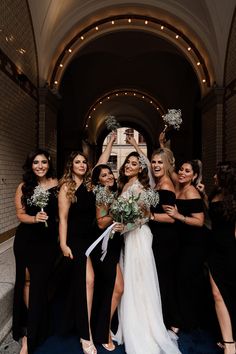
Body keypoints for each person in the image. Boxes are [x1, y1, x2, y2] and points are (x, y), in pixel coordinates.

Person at [113, 151, 181, 354]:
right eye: (127, 162)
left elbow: (143, 217)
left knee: (140, 280)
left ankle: (144, 328)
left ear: (140, 168)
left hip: (139, 237)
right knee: (133, 279)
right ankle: (129, 322)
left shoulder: (141, 188)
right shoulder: (130, 185)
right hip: (129, 237)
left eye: (134, 163)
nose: (128, 165)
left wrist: (123, 227)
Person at [13, 149, 59, 354]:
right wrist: (34, 219)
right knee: (27, 281)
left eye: (43, 162)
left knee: (41, 282)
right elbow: (20, 214)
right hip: (26, 240)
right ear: (30, 165)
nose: (40, 166)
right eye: (35, 163)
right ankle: (30, 328)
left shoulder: (58, 185)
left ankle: (38, 322)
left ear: (49, 163)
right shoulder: (24, 186)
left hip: (47, 242)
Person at [58, 151, 97, 354]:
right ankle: (85, 334)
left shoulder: (91, 186)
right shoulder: (66, 187)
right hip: (74, 240)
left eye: (84, 162)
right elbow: (63, 219)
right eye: (77, 162)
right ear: (70, 165)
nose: (82, 165)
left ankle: (84, 326)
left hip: (90, 240)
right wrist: (64, 245)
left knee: (88, 283)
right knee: (87, 282)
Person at [202, 161, 236, 354]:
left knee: (230, 293)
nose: (214, 177)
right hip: (214, 249)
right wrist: (204, 196)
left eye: (217, 174)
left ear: (226, 177)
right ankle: (229, 343)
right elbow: (212, 215)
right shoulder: (215, 194)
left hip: (231, 250)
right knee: (217, 294)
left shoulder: (234, 199)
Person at [91, 164, 124, 351]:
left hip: (114, 247)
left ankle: (102, 327)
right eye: (104, 175)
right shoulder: (101, 196)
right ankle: (102, 332)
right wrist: (116, 210)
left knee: (110, 289)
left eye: (110, 173)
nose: (109, 176)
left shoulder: (113, 194)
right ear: (98, 180)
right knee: (118, 288)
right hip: (103, 249)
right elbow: (101, 223)